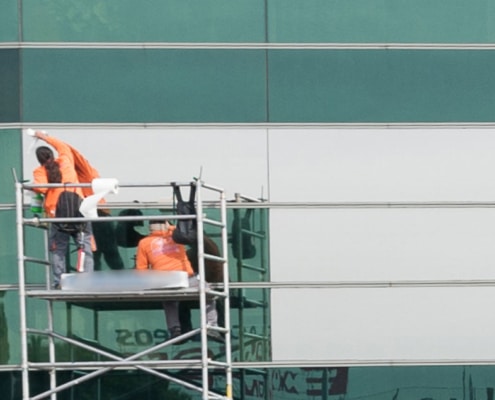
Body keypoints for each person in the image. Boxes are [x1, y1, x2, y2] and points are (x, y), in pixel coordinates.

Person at [135, 220, 221, 341]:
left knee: (169, 301)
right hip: (183, 277)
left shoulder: (145, 242)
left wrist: (145, 284)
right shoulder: (175, 236)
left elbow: (141, 268)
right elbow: (184, 232)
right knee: (208, 293)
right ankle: (211, 326)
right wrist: (169, 226)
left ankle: (175, 329)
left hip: (164, 279)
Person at [32, 131, 95, 288]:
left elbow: (41, 189)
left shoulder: (40, 171)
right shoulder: (66, 161)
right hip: (79, 211)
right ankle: (86, 279)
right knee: (84, 246)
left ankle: (59, 282)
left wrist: (30, 187)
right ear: (52, 154)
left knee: (58, 250)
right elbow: (62, 145)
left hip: (57, 216)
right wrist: (44, 137)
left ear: (39, 160)